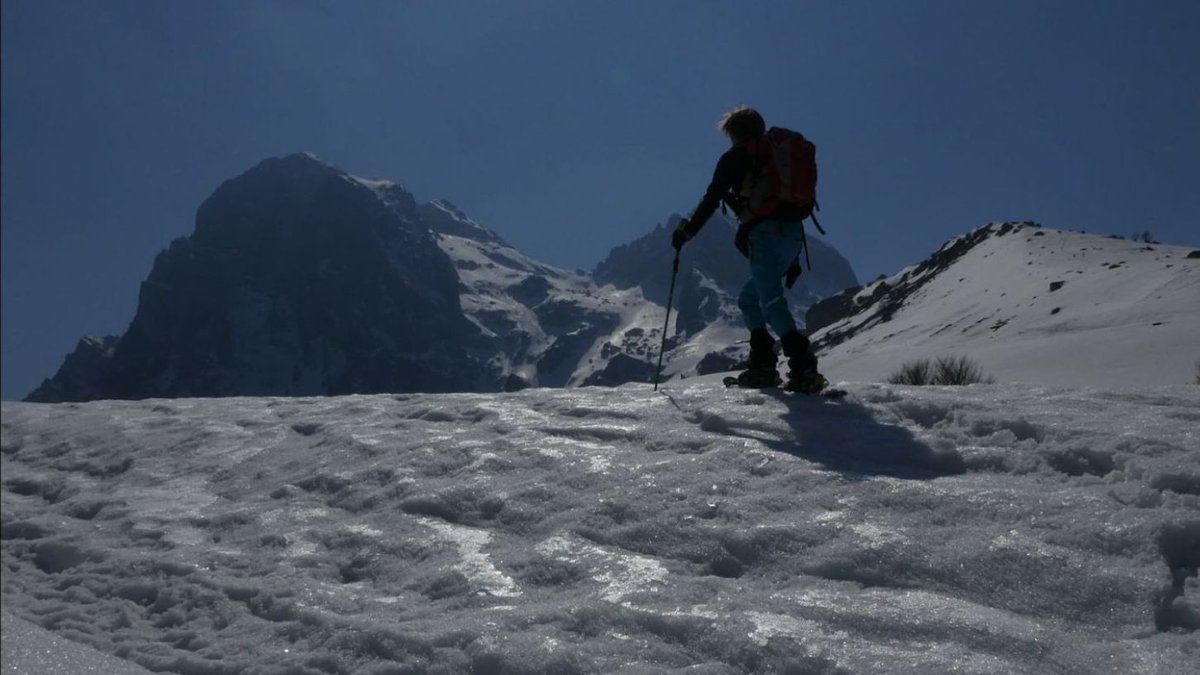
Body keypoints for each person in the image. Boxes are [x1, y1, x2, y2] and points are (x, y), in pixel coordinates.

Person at [671, 105, 828, 393]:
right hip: (793, 236)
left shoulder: (736, 157)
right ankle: (763, 365)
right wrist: (792, 262)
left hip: (764, 235)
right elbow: (787, 205)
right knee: (748, 299)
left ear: (734, 134)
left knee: (771, 302)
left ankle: (803, 368)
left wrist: (687, 232)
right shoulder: (778, 155)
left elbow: (712, 199)